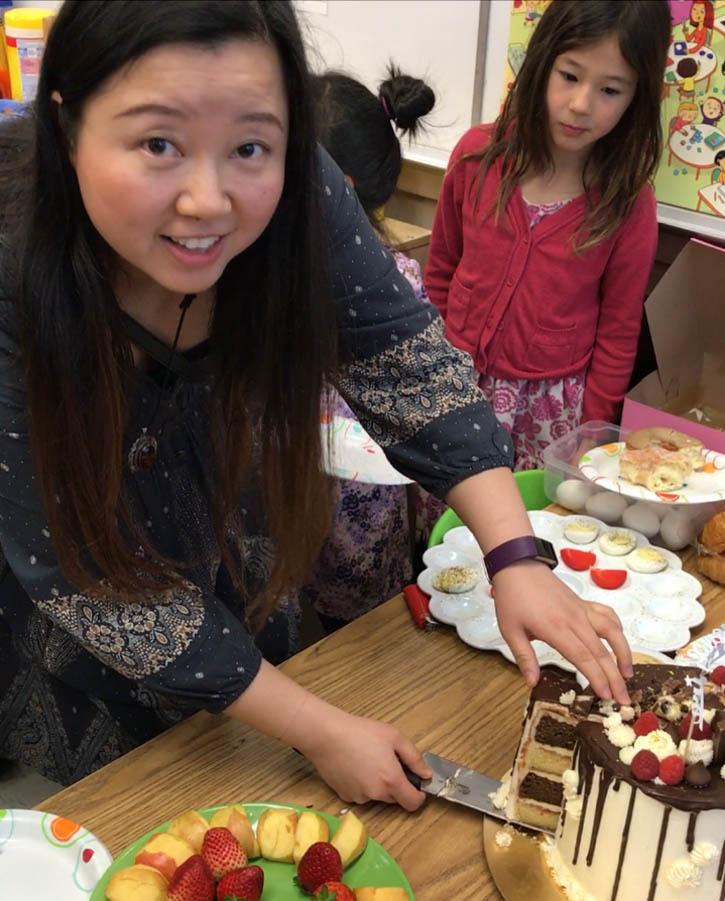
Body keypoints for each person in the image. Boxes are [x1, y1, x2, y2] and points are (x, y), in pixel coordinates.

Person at [0, 0, 631, 809]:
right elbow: (81, 571)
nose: (207, 201)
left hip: (237, 553)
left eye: (250, 147)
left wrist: (514, 557)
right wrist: (318, 729)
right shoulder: (15, 255)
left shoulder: (302, 189)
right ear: (66, 124)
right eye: (158, 143)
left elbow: (404, 364)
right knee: (130, 819)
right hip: (72, 627)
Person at [425, 0, 670, 470]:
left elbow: (619, 333)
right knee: (447, 528)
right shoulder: (477, 156)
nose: (581, 105)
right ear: (542, 64)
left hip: (551, 415)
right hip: (454, 389)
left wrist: (594, 430)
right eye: (570, 76)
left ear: (637, 97)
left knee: (524, 533)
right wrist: (433, 373)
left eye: (611, 90)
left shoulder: (628, 203)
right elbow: (440, 275)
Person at [307, 67, 445, 629]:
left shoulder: (396, 286)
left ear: (336, 187)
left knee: (358, 631)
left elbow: (428, 410)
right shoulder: (252, 281)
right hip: (280, 495)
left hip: (358, 502)